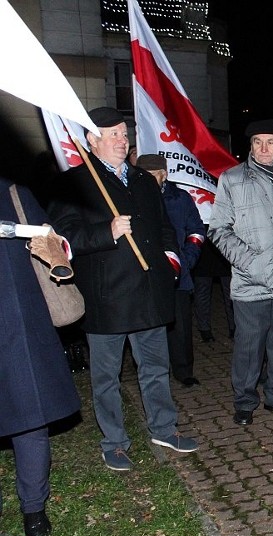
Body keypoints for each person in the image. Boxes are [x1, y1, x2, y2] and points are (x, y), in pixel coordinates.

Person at [48, 107, 198, 472]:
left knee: (156, 368)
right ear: (91, 140)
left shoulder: (144, 181)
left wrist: (170, 262)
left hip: (149, 292)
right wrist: (107, 232)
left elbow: (163, 228)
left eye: (123, 133)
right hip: (107, 298)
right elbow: (63, 239)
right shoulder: (74, 183)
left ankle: (163, 428)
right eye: (112, 134)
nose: (121, 139)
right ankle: (113, 442)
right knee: (106, 378)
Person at [208, 118, 273, 426]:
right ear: (250, 146)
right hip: (250, 279)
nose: (264, 148)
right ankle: (244, 401)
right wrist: (252, 262)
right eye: (257, 142)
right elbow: (218, 229)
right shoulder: (232, 178)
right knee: (249, 347)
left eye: (270, 142)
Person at [1, 178, 82, 536]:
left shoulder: (13, 192)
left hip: (17, 320)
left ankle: (34, 510)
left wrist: (48, 243)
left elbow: (58, 244)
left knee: (29, 417)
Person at [136, 154, 206, 387]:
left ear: (163, 174)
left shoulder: (180, 199)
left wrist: (187, 259)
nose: (147, 180)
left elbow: (196, 231)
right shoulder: (131, 197)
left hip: (178, 273)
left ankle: (184, 370)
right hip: (145, 274)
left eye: (153, 175)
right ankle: (153, 370)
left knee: (180, 325)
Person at [192, 234, 235, 342]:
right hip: (204, 243)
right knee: (202, 289)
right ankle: (204, 329)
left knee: (230, 289)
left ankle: (234, 326)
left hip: (223, 241)